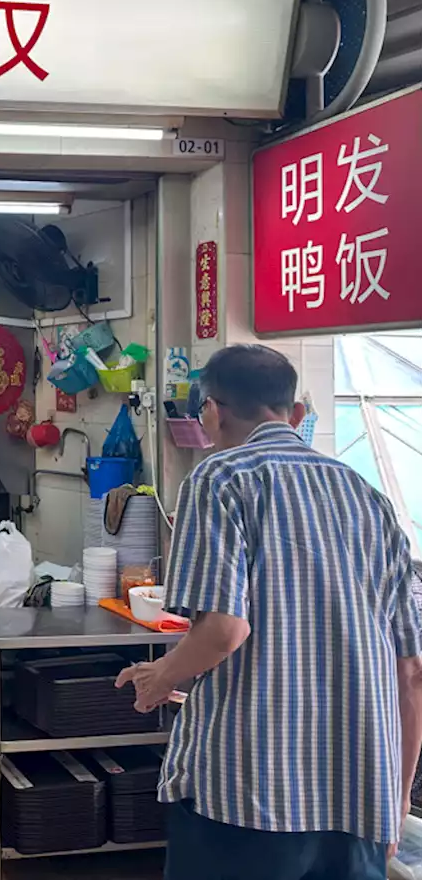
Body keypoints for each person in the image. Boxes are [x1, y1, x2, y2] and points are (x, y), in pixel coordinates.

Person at [115, 344, 423, 880]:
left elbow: (224, 631)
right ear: (297, 413)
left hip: (248, 796)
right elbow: (412, 673)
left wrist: (158, 677)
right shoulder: (369, 496)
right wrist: (394, 797)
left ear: (211, 411)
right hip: (357, 799)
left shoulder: (218, 480)